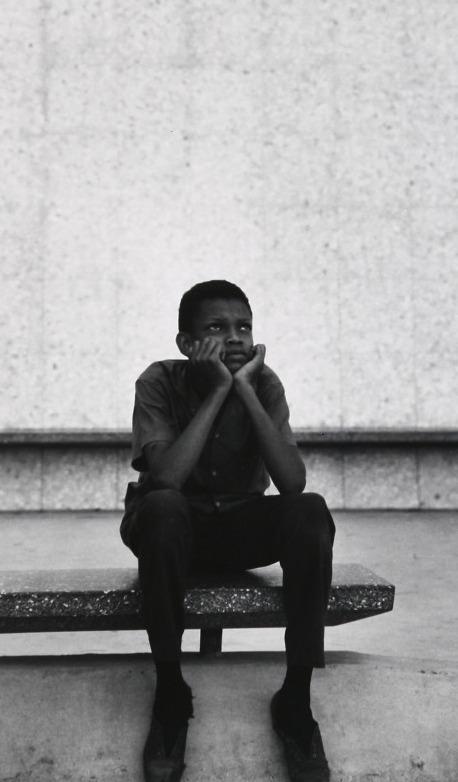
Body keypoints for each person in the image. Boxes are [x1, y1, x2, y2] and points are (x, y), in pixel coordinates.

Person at [120, 280, 335, 782]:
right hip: (171, 529)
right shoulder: (158, 381)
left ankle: (296, 703)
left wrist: (244, 389)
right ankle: (171, 697)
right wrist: (218, 390)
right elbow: (167, 477)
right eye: (216, 328)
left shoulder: (266, 383)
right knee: (166, 506)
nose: (234, 338)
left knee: (309, 511)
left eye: (243, 327)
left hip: (237, 524)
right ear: (186, 344)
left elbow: (291, 481)